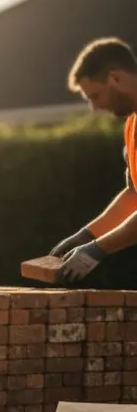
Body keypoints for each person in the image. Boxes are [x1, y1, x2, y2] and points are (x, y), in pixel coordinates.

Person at [53, 38, 137, 286]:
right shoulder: (132, 125)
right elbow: (134, 195)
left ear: (116, 79)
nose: (95, 107)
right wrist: (86, 236)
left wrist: (97, 249)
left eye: (95, 95)